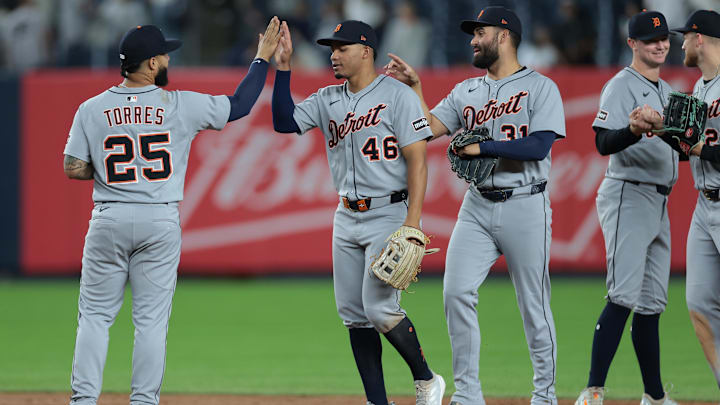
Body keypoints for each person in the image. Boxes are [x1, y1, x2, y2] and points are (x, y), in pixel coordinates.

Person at [63, 18, 281, 405]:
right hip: (158, 218)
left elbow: (73, 167)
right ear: (149, 64)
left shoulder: (91, 108)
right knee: (149, 322)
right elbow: (240, 105)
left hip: (109, 216)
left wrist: (114, 172)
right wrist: (261, 58)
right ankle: (144, 401)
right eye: (163, 54)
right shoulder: (179, 104)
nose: (167, 59)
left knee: (95, 318)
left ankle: (83, 401)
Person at [385, 6, 564, 405]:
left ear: (503, 36)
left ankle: (545, 397)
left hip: (526, 203)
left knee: (534, 305)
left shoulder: (540, 87)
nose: (472, 40)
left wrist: (484, 145)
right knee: (455, 293)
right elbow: (427, 128)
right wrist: (413, 87)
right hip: (478, 206)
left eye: (479, 33)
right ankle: (468, 396)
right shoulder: (467, 91)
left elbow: (539, 145)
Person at [271, 19, 445, 405]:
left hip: (388, 211)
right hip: (346, 215)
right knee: (354, 314)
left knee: (380, 310)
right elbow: (284, 122)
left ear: (366, 51)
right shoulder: (326, 98)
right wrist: (282, 68)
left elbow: (418, 160)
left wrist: (412, 222)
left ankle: (427, 379)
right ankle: (376, 401)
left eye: (342, 47)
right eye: (331, 48)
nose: (333, 55)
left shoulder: (397, 96)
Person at [573, 10, 679, 405]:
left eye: (664, 38)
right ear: (632, 43)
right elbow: (603, 143)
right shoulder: (621, 85)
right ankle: (593, 391)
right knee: (623, 296)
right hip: (628, 193)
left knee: (651, 304)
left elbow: (683, 153)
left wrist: (673, 131)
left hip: (659, 199)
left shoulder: (667, 91)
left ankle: (653, 396)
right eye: (650, 39)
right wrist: (634, 129)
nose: (660, 44)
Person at [635, 8, 720, 396]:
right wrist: (662, 128)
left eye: (686, 37)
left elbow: (701, 147)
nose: (681, 43)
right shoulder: (700, 89)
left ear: (700, 40)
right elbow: (691, 149)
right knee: (700, 305)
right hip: (706, 205)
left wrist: (696, 144)